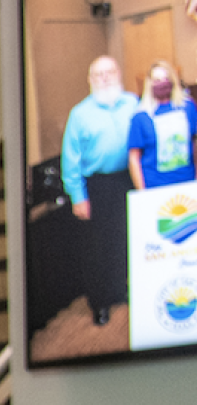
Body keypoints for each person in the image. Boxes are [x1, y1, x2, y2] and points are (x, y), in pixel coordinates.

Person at [60, 56, 137, 325]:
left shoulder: (133, 103)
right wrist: (78, 197)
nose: (104, 78)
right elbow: (70, 161)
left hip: (129, 180)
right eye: (98, 74)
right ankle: (100, 303)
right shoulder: (79, 114)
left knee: (125, 240)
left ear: (118, 73)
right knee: (97, 247)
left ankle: (120, 291)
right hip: (97, 187)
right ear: (90, 80)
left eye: (109, 72)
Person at [128, 60, 197, 190]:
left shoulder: (188, 106)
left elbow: (194, 144)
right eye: (156, 79)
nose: (161, 83)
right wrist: (142, 191)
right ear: (149, 84)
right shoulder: (140, 116)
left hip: (187, 183)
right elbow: (134, 158)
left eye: (165, 78)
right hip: (155, 186)